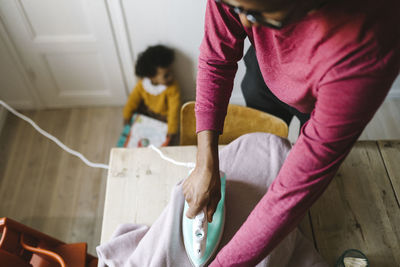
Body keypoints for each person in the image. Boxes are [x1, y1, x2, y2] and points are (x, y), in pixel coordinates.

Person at [182, 0, 400, 266]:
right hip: (268, 65)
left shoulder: (369, 46)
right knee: (259, 109)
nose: (245, 23)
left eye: (257, 13)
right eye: (236, 7)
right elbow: (217, 58)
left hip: (325, 89)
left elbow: (291, 194)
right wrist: (206, 162)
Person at [123, 45, 181, 141]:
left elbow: (174, 110)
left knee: (163, 137)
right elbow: (133, 100)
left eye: (171, 72)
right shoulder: (142, 84)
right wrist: (127, 114)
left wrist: (172, 130)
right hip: (148, 112)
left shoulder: (172, 88)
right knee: (135, 131)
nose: (171, 77)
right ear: (151, 77)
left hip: (164, 117)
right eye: (166, 75)